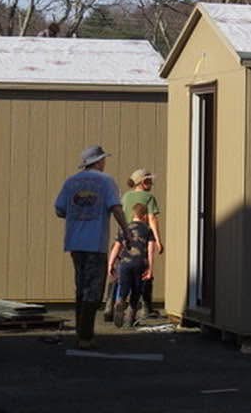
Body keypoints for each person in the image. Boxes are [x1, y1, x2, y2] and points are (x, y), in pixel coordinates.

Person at [55, 144, 129, 350]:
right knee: (94, 291)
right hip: (95, 242)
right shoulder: (106, 181)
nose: (105, 162)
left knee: (81, 287)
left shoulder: (70, 182)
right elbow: (115, 207)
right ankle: (85, 336)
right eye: (103, 159)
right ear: (98, 161)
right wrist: (128, 232)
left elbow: (59, 209)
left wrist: (77, 214)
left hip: (74, 243)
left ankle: (81, 331)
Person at [107, 202, 157, 328]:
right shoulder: (148, 230)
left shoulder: (125, 228)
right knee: (136, 291)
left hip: (124, 263)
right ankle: (130, 318)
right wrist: (150, 269)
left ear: (134, 214)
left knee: (124, 288)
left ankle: (120, 302)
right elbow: (151, 250)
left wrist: (110, 263)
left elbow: (117, 247)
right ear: (144, 216)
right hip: (140, 264)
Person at [121, 169, 162, 319]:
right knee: (146, 270)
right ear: (142, 182)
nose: (151, 183)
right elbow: (152, 219)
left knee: (122, 268)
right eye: (149, 180)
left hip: (125, 235)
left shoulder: (125, 197)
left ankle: (113, 302)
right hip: (142, 238)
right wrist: (158, 240)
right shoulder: (149, 197)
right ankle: (146, 307)